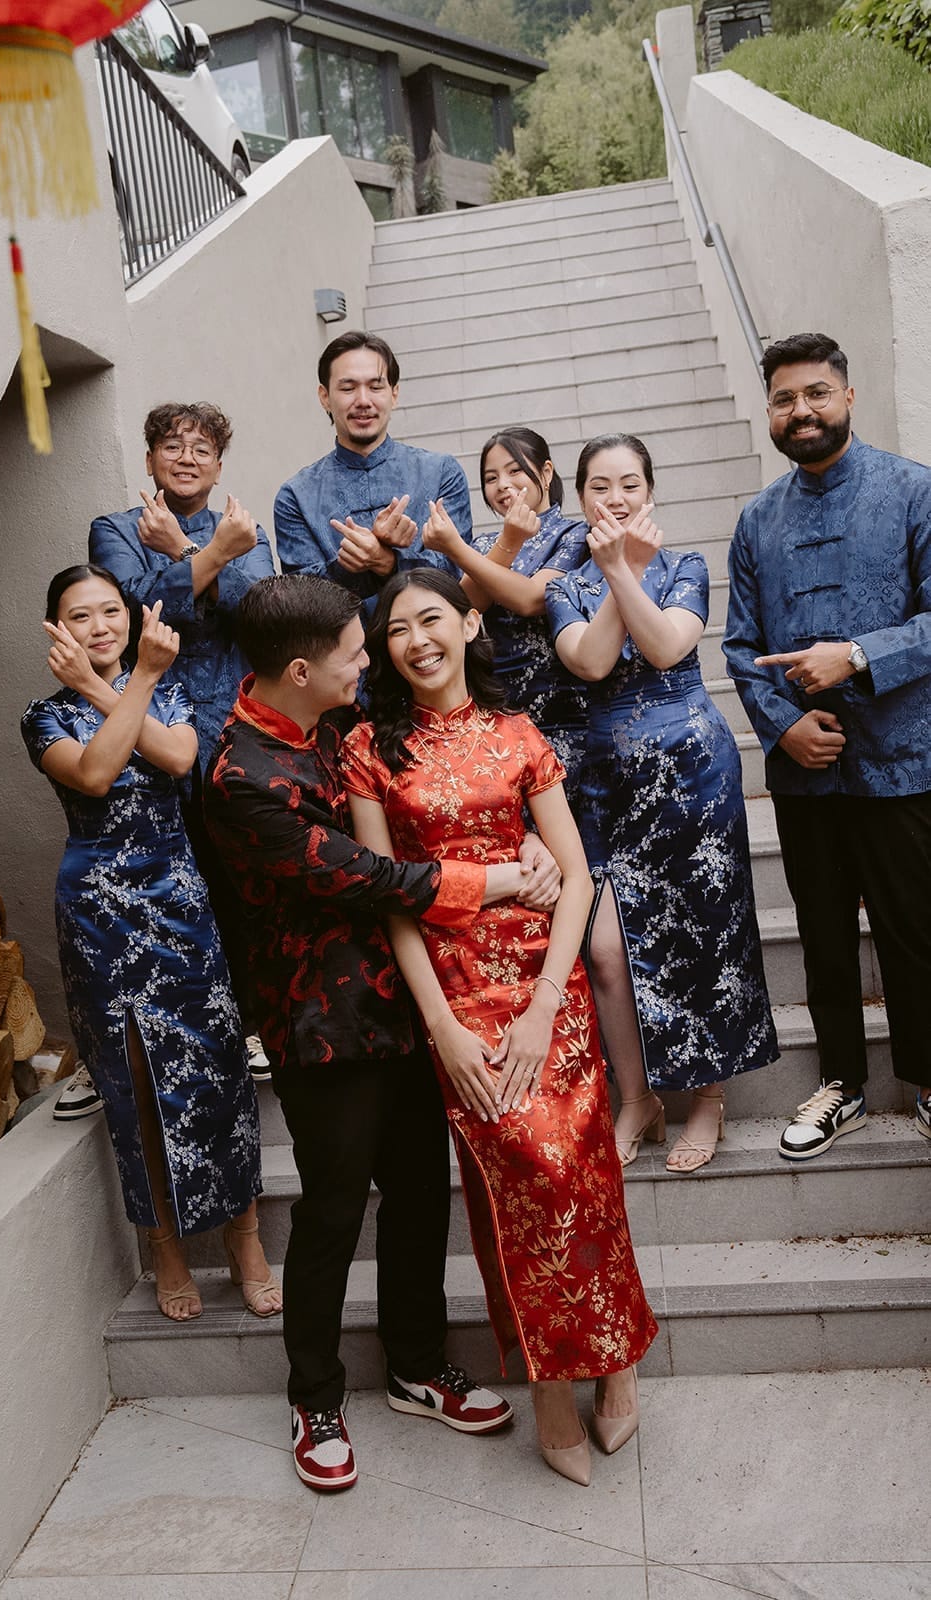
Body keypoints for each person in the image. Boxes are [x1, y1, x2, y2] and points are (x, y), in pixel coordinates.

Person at [205, 574, 562, 1493]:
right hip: (322, 1025)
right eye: (354, 652)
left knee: (417, 1193)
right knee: (331, 1209)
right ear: (300, 670)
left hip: (413, 998)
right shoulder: (239, 778)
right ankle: (313, 1395)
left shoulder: (340, 729)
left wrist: (524, 840)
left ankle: (416, 1365)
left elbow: (424, 809)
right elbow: (369, 876)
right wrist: (497, 881)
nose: (369, 662)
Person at [342, 568, 656, 1485]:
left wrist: (551, 999)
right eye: (396, 629)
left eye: (430, 619)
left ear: (469, 623)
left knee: (585, 1175)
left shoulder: (518, 734)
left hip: (547, 987)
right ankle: (549, 1386)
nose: (416, 640)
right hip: (455, 991)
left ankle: (617, 1361)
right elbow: (388, 898)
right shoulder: (368, 748)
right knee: (517, 1183)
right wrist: (439, 1025)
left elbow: (576, 875)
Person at [21, 564, 279, 1323]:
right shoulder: (42, 717)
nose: (100, 626)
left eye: (111, 611)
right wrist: (124, 682)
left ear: (131, 621)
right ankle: (165, 1249)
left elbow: (177, 758)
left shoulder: (169, 693)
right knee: (133, 1081)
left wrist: (120, 682)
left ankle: (245, 1238)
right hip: (99, 910)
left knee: (218, 1066)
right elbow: (97, 773)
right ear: (56, 630)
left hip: (179, 898)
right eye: (80, 615)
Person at [724, 331, 931, 1159]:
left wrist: (856, 656)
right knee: (820, 935)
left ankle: (927, 1080)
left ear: (846, 396)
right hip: (805, 775)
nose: (799, 410)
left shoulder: (912, 491)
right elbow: (739, 648)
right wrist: (783, 726)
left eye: (814, 393)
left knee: (914, 930)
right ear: (769, 411)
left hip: (904, 760)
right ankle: (840, 1082)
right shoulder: (755, 521)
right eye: (783, 399)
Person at [546, 434, 777, 1172]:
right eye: (599, 486)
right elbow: (590, 661)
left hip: (690, 777)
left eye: (629, 485)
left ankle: (707, 1099)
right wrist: (618, 569)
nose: (615, 498)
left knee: (703, 935)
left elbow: (667, 648)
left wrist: (625, 570)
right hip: (601, 786)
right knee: (604, 949)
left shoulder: (686, 566)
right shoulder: (560, 586)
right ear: (580, 496)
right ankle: (638, 1097)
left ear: (650, 493)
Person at [88, 401, 277, 1090]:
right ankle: (184, 1029)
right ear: (149, 460)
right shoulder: (114, 528)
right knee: (169, 881)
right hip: (150, 722)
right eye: (172, 445)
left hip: (233, 727)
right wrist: (211, 557)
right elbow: (132, 609)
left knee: (241, 880)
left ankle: (254, 1023)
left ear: (219, 467)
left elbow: (262, 615)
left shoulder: (245, 529)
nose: (187, 458)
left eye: (202, 448)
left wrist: (187, 552)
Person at [420, 426, 590, 798]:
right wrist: (504, 543)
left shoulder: (574, 534)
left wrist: (456, 548)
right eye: (491, 478)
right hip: (500, 704)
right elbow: (464, 609)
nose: (503, 485)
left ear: (546, 472)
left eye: (515, 471)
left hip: (565, 705)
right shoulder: (484, 544)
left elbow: (533, 599)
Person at [273, 330, 472, 600]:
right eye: (348, 388)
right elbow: (303, 597)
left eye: (376, 387)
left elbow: (458, 574)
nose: (363, 401)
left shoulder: (442, 473)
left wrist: (388, 560)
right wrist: (358, 561)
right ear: (324, 397)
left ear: (394, 394)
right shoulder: (295, 496)